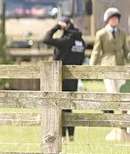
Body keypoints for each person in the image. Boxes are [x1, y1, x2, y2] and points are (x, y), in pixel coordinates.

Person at [42, 15, 86, 139]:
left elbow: (46, 39)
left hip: (61, 76)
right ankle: (71, 135)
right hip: (74, 77)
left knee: (60, 106)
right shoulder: (81, 41)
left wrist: (56, 27)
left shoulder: (66, 40)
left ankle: (61, 135)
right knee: (69, 106)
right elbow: (81, 59)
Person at [90, 8, 130, 136]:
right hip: (107, 66)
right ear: (107, 20)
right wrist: (92, 66)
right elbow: (96, 51)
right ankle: (116, 123)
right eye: (113, 18)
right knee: (112, 94)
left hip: (120, 66)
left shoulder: (123, 33)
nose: (115, 20)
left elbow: (126, 51)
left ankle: (123, 125)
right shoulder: (100, 34)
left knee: (123, 94)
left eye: (117, 18)